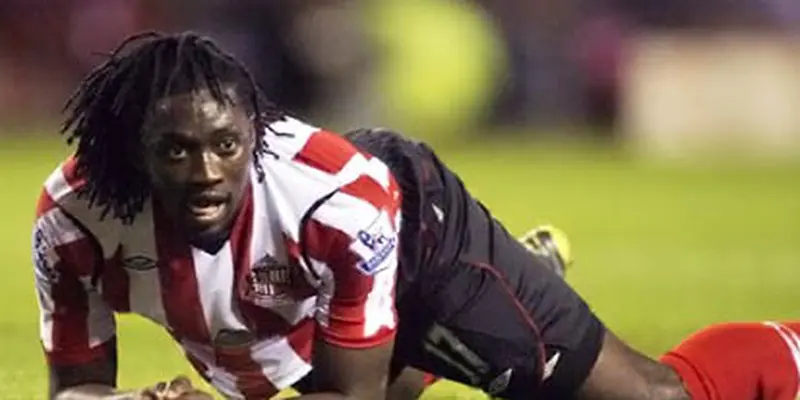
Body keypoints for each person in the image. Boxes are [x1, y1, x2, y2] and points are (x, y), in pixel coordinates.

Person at [32, 30, 799, 400]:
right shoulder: (71, 223)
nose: (205, 171)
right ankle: (457, 328)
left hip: (417, 235)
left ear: (254, 136)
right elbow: (74, 388)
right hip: (289, 288)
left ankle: (789, 348)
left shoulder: (336, 200)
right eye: (175, 151)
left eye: (226, 145)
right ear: (133, 151)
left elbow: (348, 398)